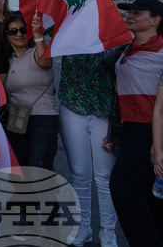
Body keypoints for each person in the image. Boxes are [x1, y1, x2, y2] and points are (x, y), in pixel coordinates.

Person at [106, 0, 163, 246]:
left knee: (122, 187)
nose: (130, 15)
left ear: (155, 20)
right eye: (129, 12)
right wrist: (113, 131)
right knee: (150, 193)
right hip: (128, 127)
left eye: (137, 13)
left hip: (150, 128)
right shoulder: (127, 48)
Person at [60, 45, 122, 247]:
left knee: (104, 176)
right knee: (79, 174)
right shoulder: (66, 29)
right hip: (72, 107)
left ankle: (108, 231)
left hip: (105, 110)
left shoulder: (113, 34)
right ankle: (82, 227)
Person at [1, 12, 58, 169]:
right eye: (13, 31)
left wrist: (38, 35)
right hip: (16, 123)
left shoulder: (36, 51)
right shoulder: (8, 59)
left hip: (42, 121)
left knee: (38, 173)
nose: (19, 34)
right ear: (6, 35)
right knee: (20, 173)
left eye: (23, 30)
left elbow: (46, 62)